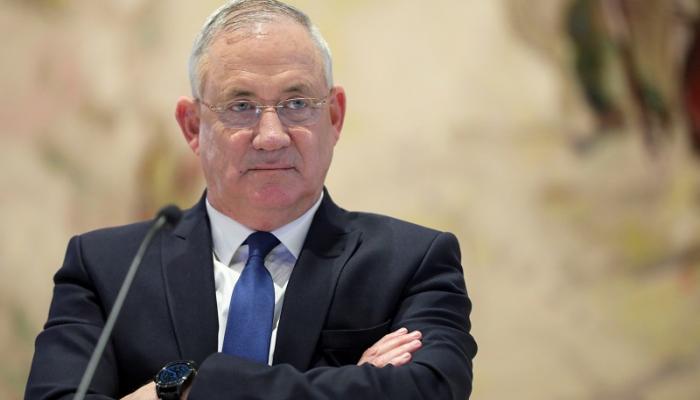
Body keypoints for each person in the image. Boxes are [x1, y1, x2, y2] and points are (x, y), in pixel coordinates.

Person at [25, 1, 477, 399]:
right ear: (192, 127)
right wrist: (353, 383)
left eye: (297, 103)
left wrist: (190, 388)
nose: (271, 136)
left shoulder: (411, 262)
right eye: (241, 106)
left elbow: (431, 389)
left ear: (334, 116)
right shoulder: (107, 269)